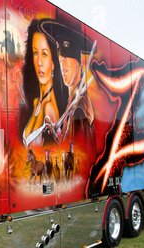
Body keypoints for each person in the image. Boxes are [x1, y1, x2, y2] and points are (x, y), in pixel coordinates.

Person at [39, 17, 96, 150]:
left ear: (79, 63)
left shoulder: (80, 108)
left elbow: (78, 156)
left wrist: (52, 143)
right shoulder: (73, 102)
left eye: (67, 58)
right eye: (61, 59)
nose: (62, 65)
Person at [18, 19, 67, 148]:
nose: (39, 61)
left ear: (54, 62)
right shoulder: (36, 102)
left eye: (44, 54)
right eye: (35, 53)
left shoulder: (49, 107)